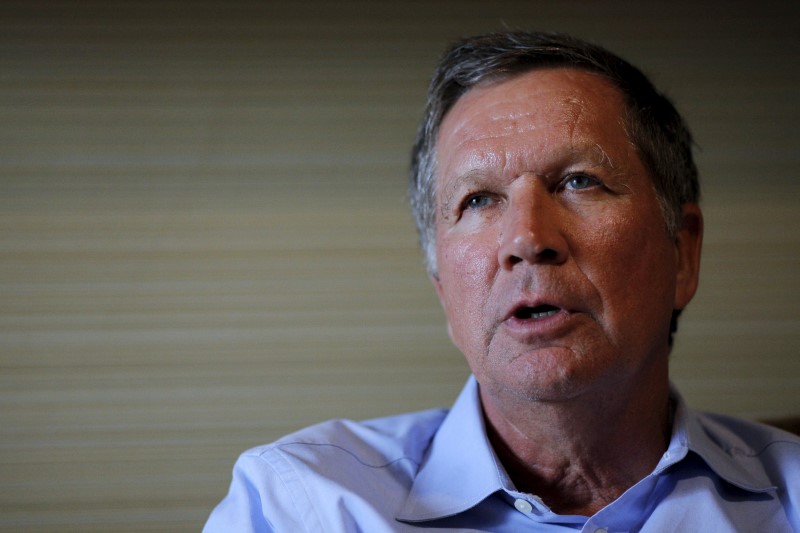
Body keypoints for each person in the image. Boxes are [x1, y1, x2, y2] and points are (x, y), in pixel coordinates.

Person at [204, 31, 800, 532]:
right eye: (479, 199)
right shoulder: (299, 507)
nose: (527, 238)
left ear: (683, 253)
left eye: (579, 182)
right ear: (443, 287)